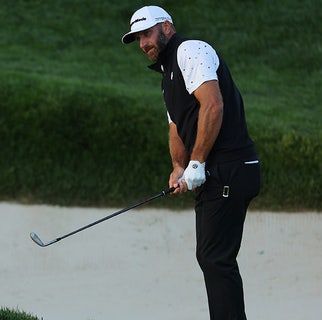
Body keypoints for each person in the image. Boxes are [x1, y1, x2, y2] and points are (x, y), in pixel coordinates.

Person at [121, 5, 261, 320]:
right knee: (211, 257)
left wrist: (197, 162)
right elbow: (177, 126)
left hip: (231, 167)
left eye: (147, 33)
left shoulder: (191, 51)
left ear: (167, 27)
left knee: (215, 258)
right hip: (219, 172)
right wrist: (180, 167)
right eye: (138, 38)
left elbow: (213, 105)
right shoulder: (166, 75)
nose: (143, 43)